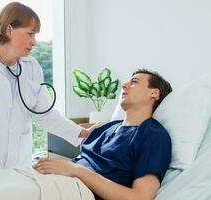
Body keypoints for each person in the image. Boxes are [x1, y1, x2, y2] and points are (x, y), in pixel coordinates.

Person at [0, 2, 92, 173]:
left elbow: (46, 115)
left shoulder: (32, 68)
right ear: (9, 30)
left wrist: (82, 133)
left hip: (21, 168)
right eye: (30, 34)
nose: (34, 42)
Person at [33, 69, 173, 200]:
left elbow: (140, 197)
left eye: (134, 82)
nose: (124, 85)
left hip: (78, 191)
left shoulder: (153, 135)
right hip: (54, 180)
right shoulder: (105, 127)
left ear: (154, 93)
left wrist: (76, 170)